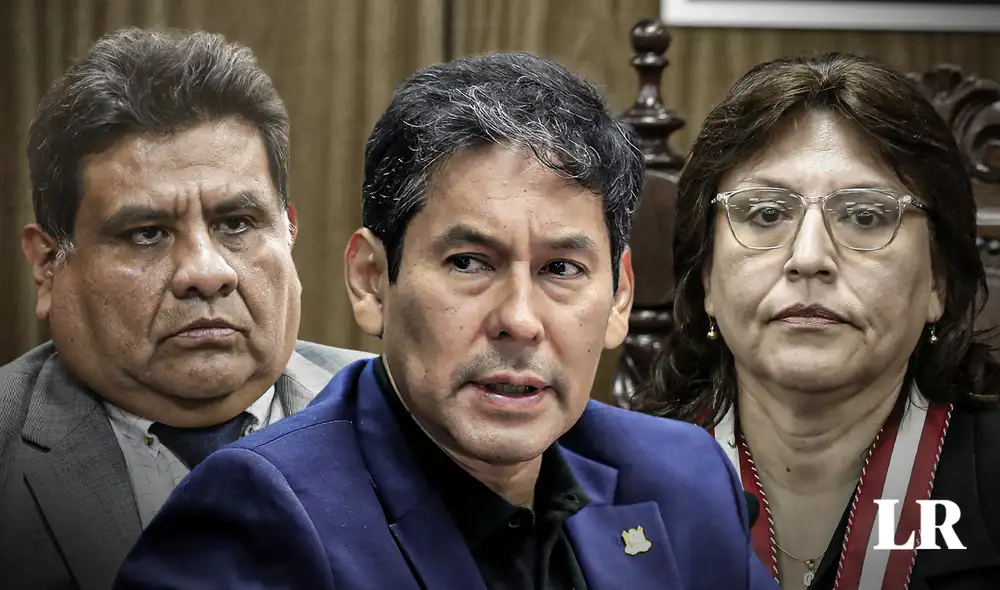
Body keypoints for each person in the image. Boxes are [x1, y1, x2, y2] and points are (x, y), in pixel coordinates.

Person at [113, 52, 778, 589]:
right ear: (371, 281)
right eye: (468, 263)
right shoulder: (258, 516)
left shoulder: (682, 477)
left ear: (620, 298)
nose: (519, 320)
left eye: (561, 269)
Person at [0, 28, 371, 590]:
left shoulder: (412, 420)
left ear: (288, 231)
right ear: (50, 263)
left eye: (237, 224)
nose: (206, 271)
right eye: (147, 233)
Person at [633, 52, 1000, 590]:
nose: (808, 257)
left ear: (938, 283)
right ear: (707, 277)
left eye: (866, 216)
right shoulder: (613, 483)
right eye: (766, 213)